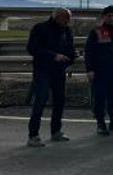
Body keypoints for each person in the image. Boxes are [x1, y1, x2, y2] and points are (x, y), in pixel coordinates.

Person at [25, 8, 77, 147]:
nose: (68, 21)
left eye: (69, 18)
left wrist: (71, 58)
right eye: (65, 18)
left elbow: (70, 48)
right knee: (41, 100)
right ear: (57, 17)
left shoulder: (67, 30)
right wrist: (53, 56)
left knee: (60, 100)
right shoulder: (40, 28)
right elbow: (32, 48)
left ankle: (56, 131)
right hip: (42, 70)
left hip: (59, 71)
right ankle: (33, 135)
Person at [85, 5, 113, 136]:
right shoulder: (96, 31)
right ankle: (101, 124)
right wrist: (90, 69)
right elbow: (89, 52)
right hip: (100, 70)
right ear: (103, 17)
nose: (111, 18)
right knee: (99, 98)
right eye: (109, 15)